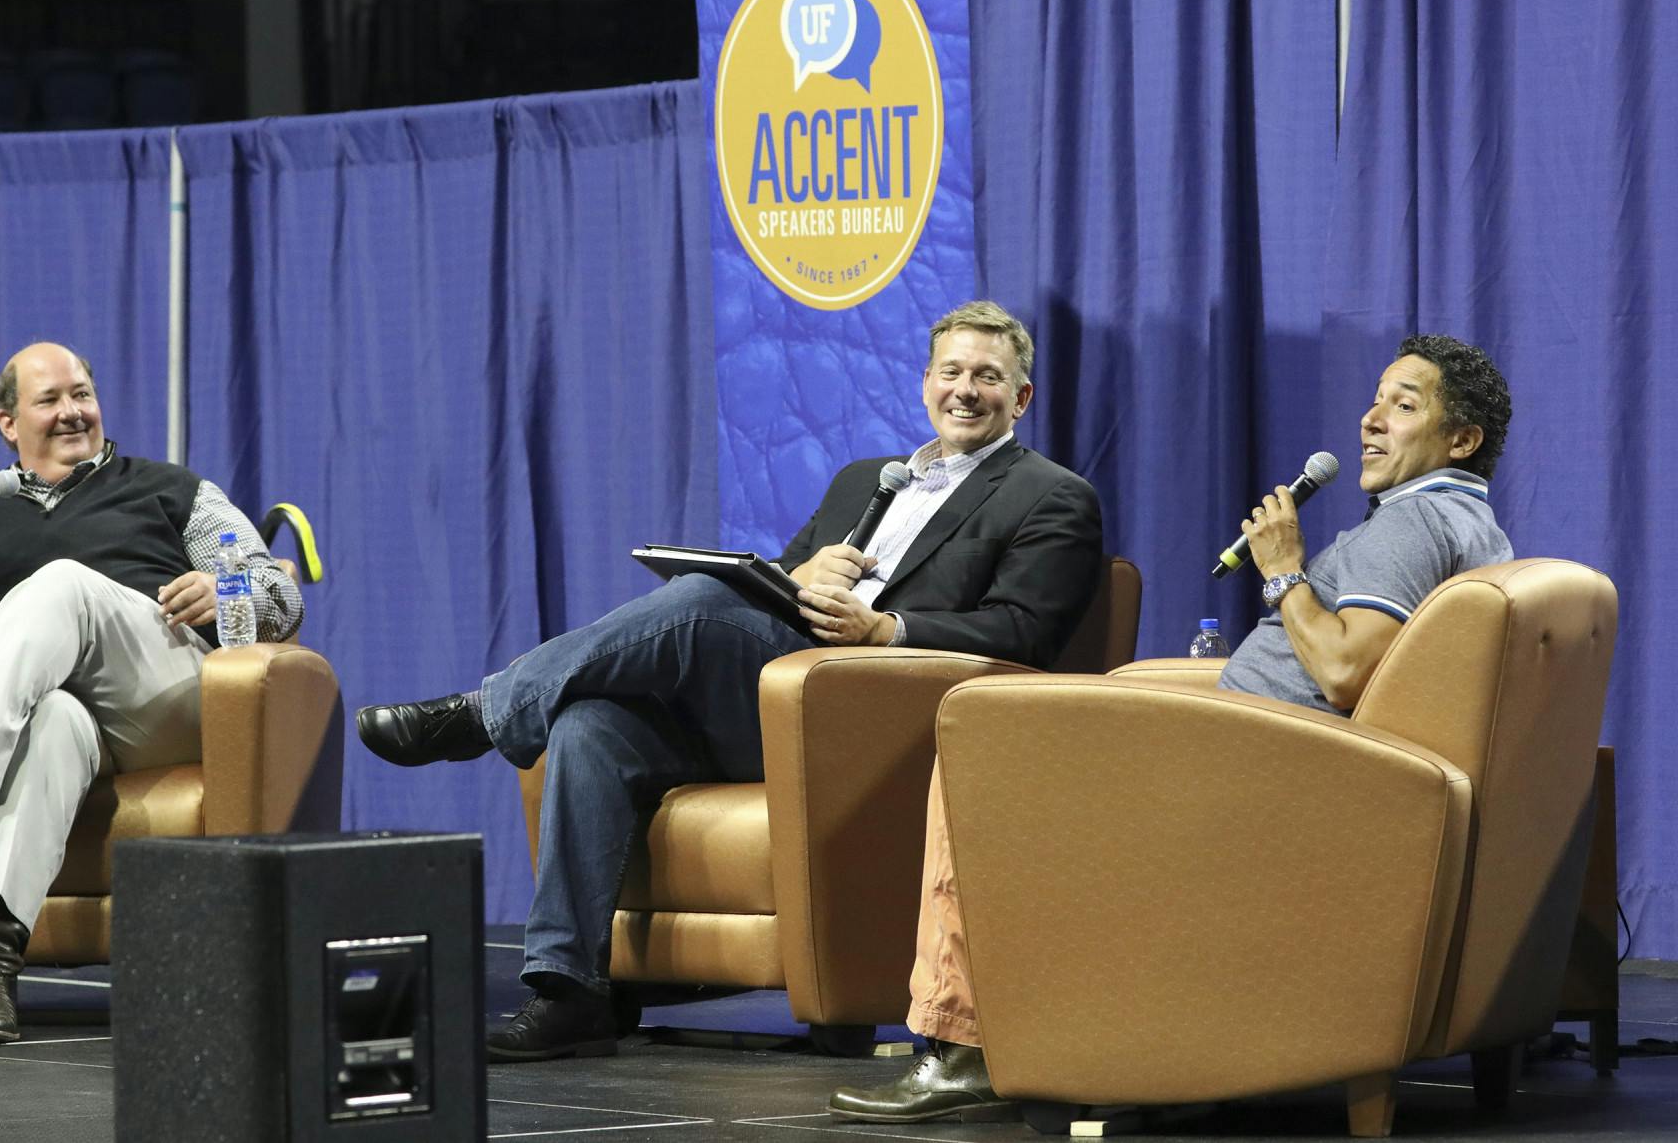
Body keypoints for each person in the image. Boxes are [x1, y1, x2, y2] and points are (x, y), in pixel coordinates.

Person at [357, 301, 1106, 1062]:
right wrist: (798, 574)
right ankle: (569, 990)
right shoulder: (863, 481)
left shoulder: (1050, 495)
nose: (966, 390)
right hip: (775, 703)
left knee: (697, 604)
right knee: (591, 724)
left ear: (1021, 398)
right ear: (925, 384)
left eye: (989, 377)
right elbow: (778, 595)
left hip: (878, 718)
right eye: (952, 371)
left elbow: (1023, 634)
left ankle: (485, 712)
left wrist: (887, 629)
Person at [829, 333, 1515, 1123]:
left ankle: (961, 1044)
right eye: (1375, 398)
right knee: (1049, 727)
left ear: (1461, 441)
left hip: (1247, 773)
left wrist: (1285, 568)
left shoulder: (1409, 527)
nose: (1370, 420)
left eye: (1403, 405)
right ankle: (1043, 1031)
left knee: (975, 749)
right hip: (1264, 753)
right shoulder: (1471, 525)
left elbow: (1344, 670)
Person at [0, 342, 302, 1044]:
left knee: (62, 584)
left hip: (158, 702)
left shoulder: (173, 489)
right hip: (41, 727)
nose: (72, 412)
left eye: (81, 394)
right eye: (50, 400)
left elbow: (282, 595)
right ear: (9, 423)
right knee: (51, 721)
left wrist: (228, 589)